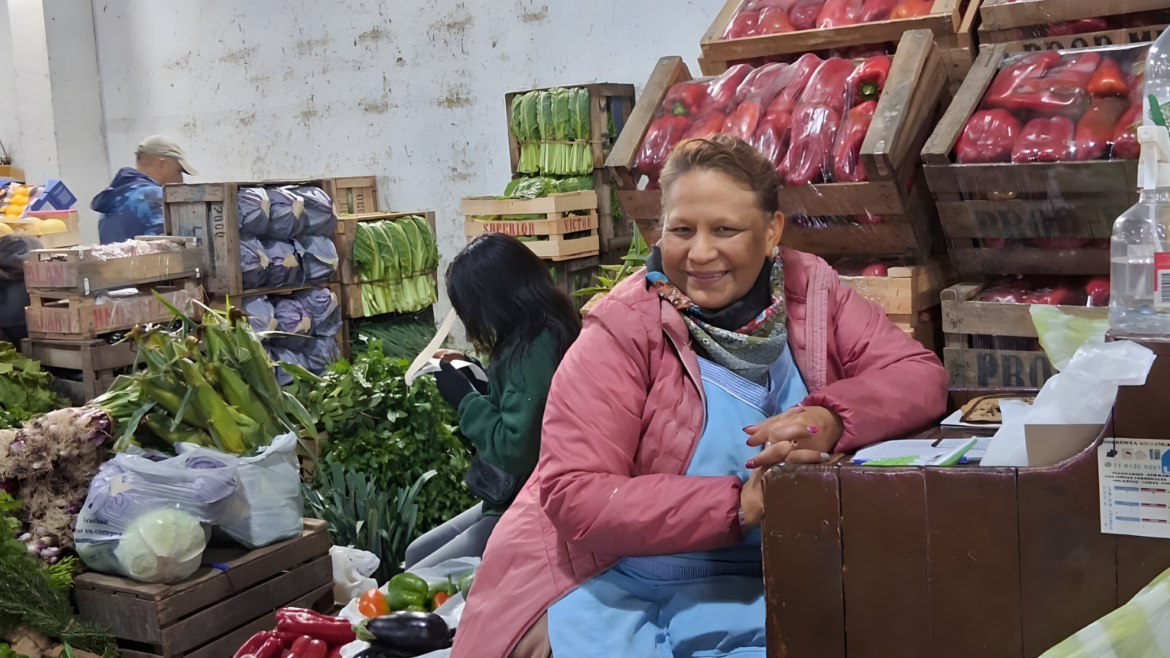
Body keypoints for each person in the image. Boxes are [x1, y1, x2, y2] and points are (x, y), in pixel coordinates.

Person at [452, 135, 949, 658]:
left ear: (772, 230)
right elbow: (573, 493)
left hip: (776, 576)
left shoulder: (810, 293)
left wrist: (830, 417)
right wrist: (739, 501)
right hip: (625, 583)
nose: (701, 252)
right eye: (682, 230)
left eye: (725, 230)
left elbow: (917, 375)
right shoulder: (623, 327)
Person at [404, 233, 581, 571]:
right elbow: (523, 406)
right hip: (519, 492)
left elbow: (516, 449)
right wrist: (477, 379)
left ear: (496, 301)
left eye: (471, 312)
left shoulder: (534, 349)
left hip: (531, 501)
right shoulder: (537, 331)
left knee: (421, 572)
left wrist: (466, 401)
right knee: (416, 553)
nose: (471, 329)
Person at [92, 135, 199, 244]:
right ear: (162, 164)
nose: (181, 180)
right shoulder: (154, 195)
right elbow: (165, 250)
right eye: (179, 171)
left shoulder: (113, 199)